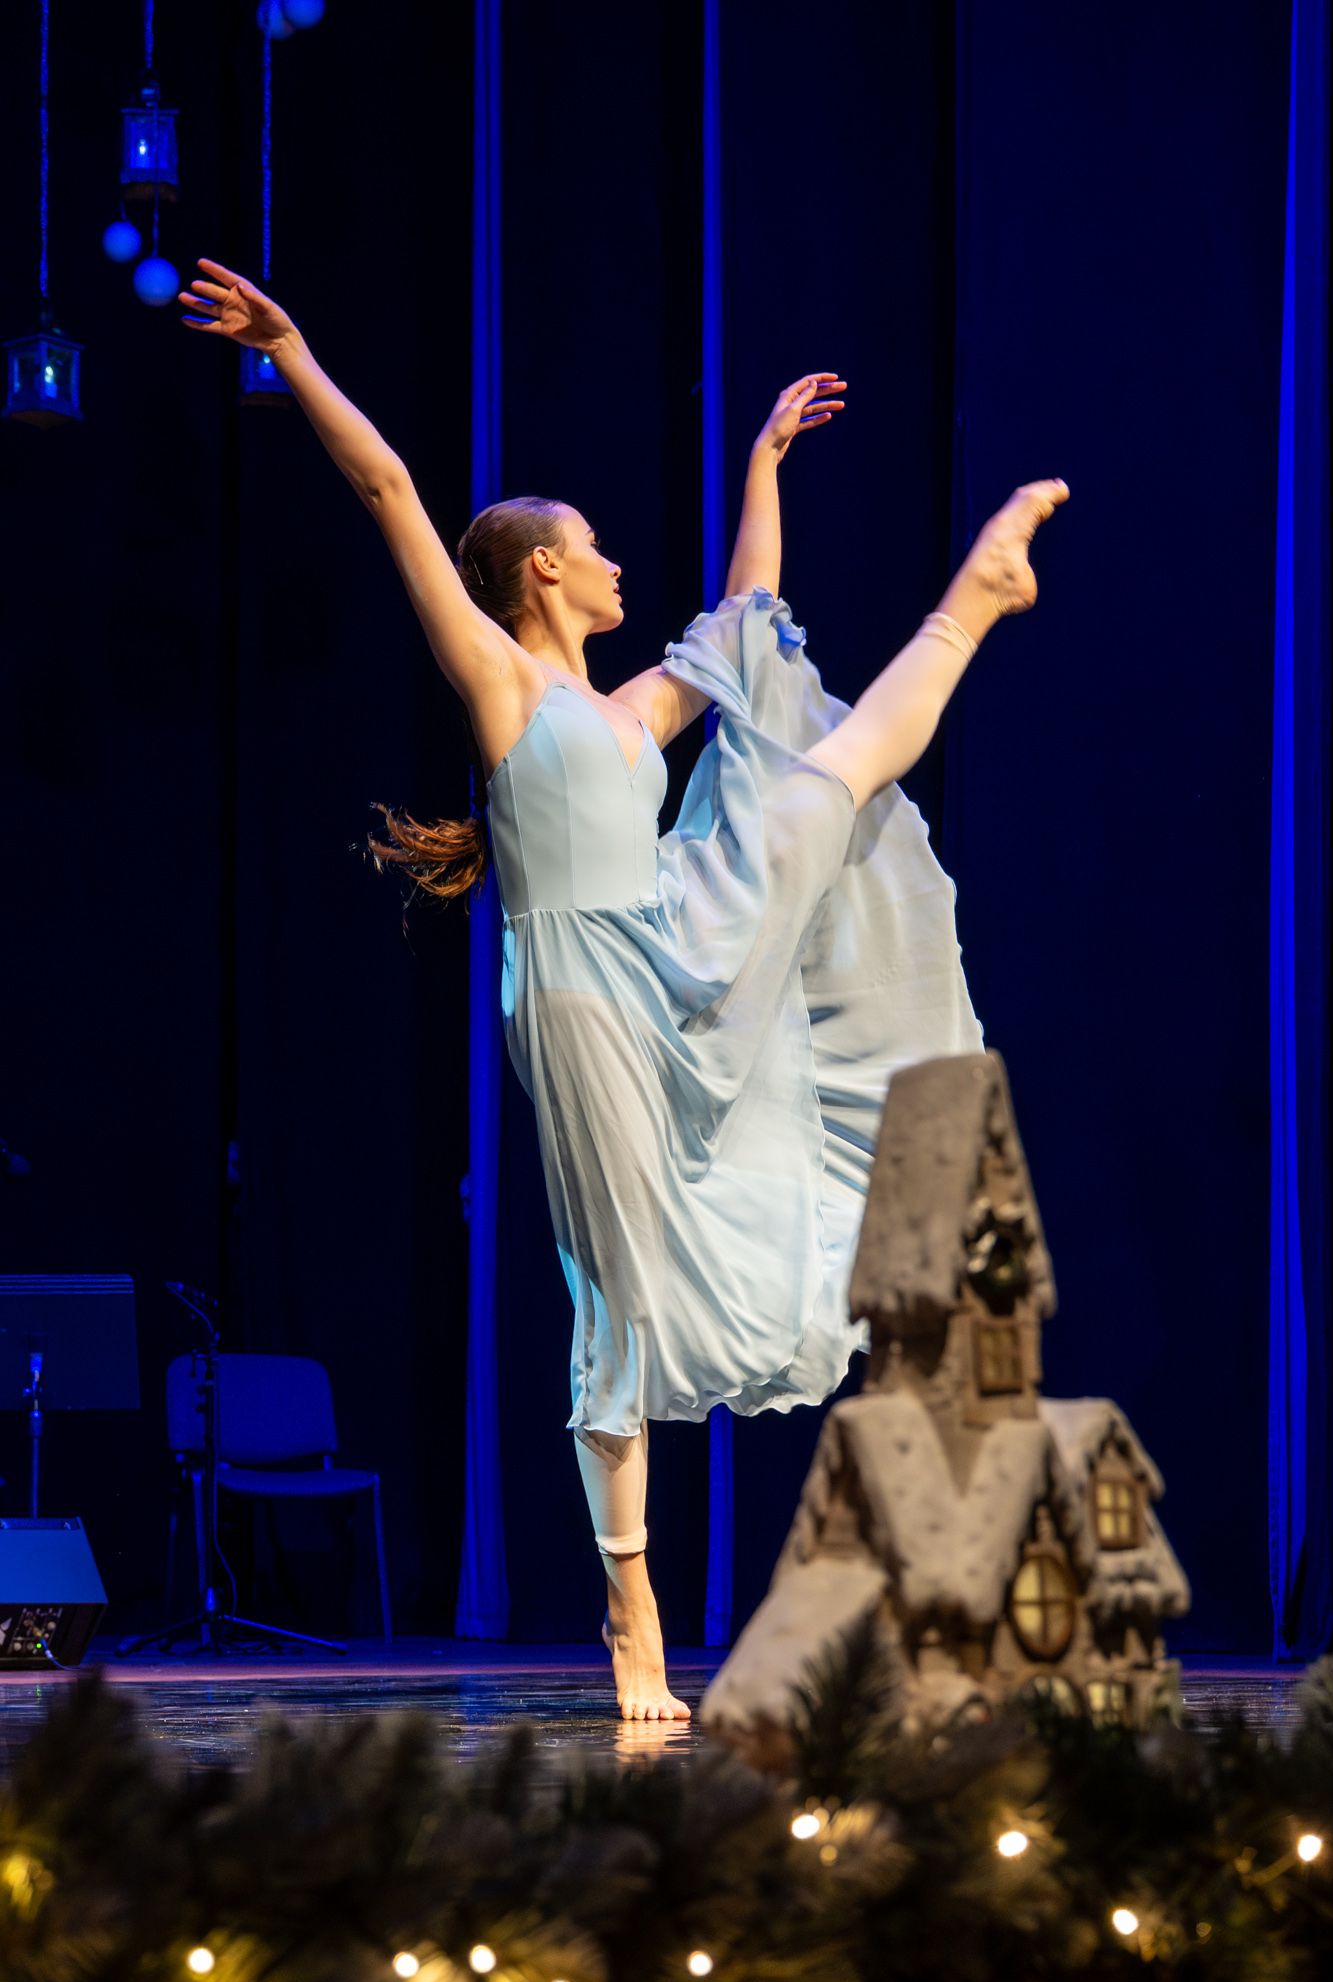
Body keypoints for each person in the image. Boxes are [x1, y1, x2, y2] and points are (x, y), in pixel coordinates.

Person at [180, 256, 1069, 1722]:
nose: (610, 566)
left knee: (821, 785)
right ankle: (630, 1611)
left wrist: (762, 463)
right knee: (624, 1295)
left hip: (669, 939)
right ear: (540, 572)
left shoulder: (628, 712)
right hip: (582, 994)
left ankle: (974, 602)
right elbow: (389, 489)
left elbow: (744, 615)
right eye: (587, 549)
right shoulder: (504, 688)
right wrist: (292, 352)